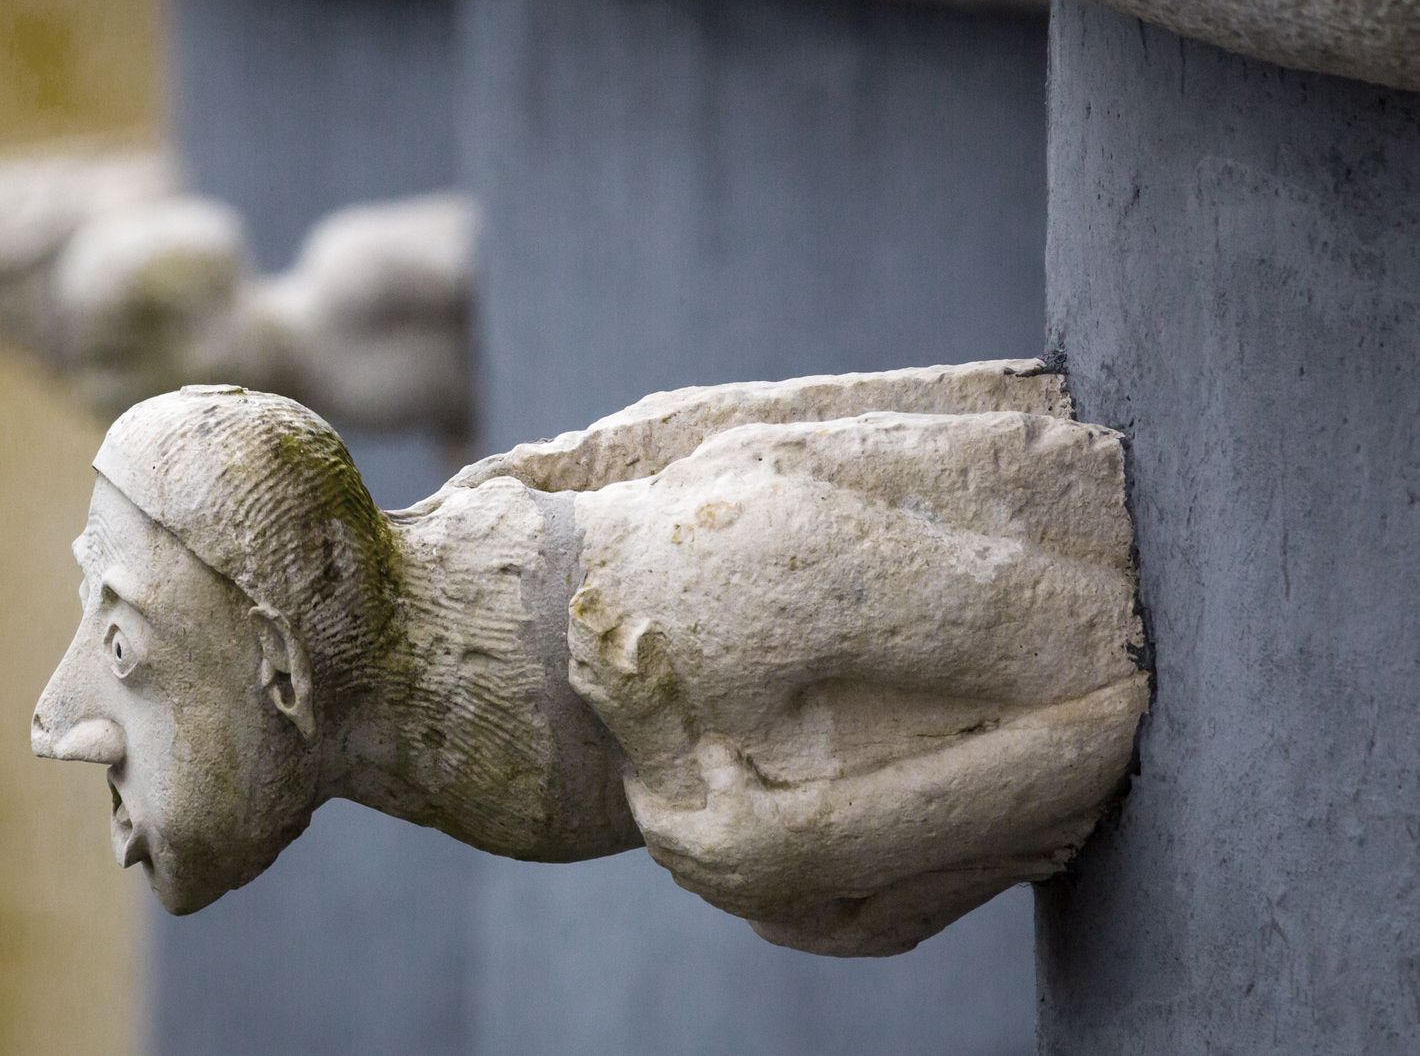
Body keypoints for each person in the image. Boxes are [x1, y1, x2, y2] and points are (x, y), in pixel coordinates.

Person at [32, 362, 1146, 956]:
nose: (55, 718)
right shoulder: (496, 685)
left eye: (122, 640)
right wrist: (783, 860)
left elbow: (1099, 664)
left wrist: (780, 844)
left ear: (285, 666)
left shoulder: (692, 583)